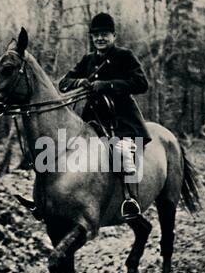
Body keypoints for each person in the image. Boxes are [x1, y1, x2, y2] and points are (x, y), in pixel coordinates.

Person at [59, 12, 151, 175]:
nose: (100, 38)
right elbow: (63, 83)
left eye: (104, 35)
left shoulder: (124, 56)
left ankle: (130, 198)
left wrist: (107, 85)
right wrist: (79, 82)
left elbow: (142, 84)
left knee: (124, 160)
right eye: (96, 35)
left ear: (114, 36)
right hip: (92, 116)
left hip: (121, 116)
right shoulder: (88, 59)